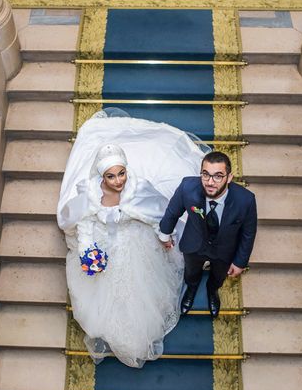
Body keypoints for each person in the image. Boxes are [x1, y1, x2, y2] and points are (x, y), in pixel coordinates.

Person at [57, 111, 205, 368]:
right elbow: (85, 225)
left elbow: (154, 215)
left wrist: (163, 235)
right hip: (103, 245)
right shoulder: (90, 195)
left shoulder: (139, 189)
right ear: (102, 177)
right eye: (111, 176)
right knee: (105, 295)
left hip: (134, 244)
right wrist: (87, 250)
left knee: (138, 290)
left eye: (121, 174)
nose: (118, 181)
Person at [158, 151, 257, 318]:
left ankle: (212, 291)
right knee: (191, 272)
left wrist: (240, 261)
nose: (210, 182)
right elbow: (172, 213)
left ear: (229, 177)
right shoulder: (187, 188)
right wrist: (165, 235)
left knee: (218, 277)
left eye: (218, 176)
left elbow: (248, 233)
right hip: (194, 243)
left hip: (224, 250)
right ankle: (192, 288)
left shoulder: (245, 200)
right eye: (206, 175)